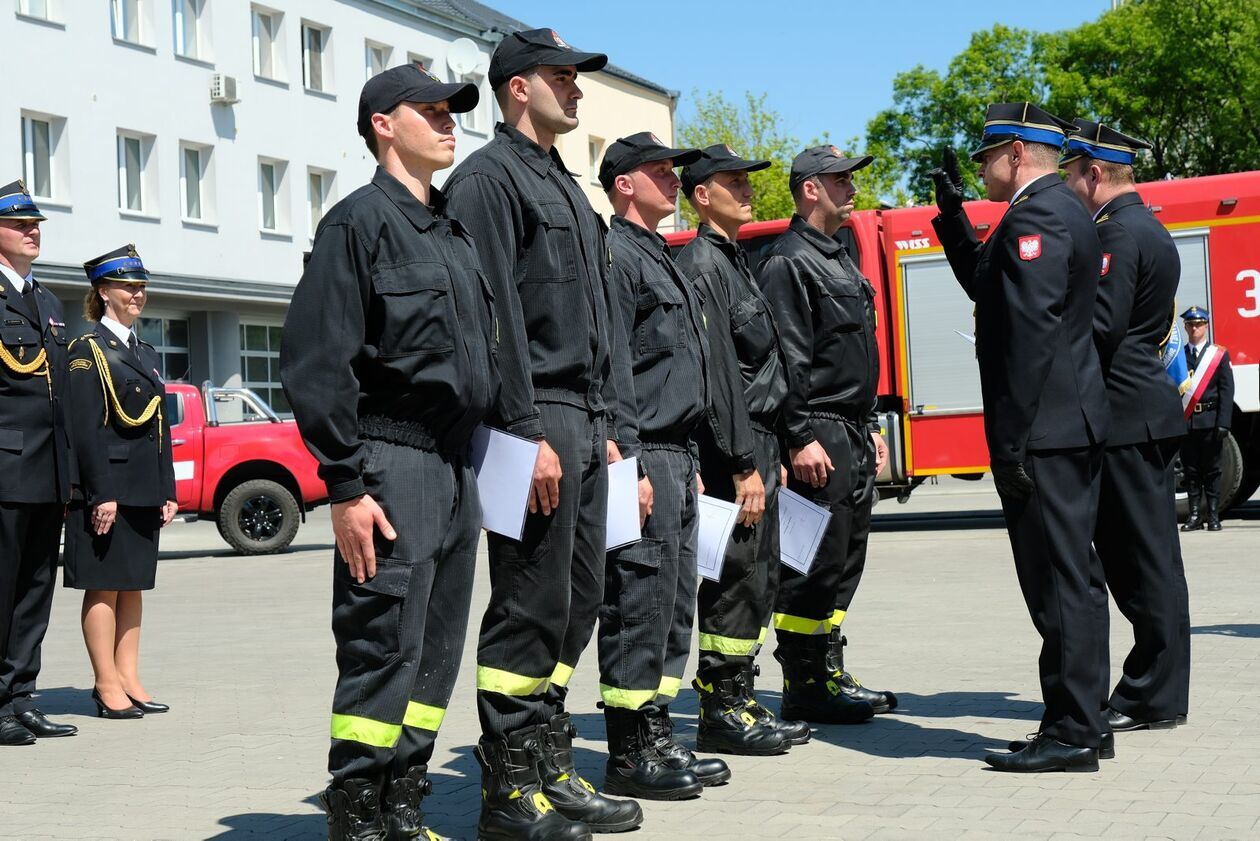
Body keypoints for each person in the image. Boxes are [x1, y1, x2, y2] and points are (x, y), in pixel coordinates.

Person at [279, 64, 500, 841]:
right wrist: (344, 485)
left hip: (454, 467)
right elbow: (315, 363)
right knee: (382, 642)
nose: (449, 124)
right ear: (382, 123)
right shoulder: (357, 224)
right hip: (390, 464)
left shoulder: (451, 231)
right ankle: (358, 814)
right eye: (431, 111)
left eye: (453, 112)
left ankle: (403, 804)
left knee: (435, 650)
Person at [444, 28, 643, 838]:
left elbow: (599, 323)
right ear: (518, 86)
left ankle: (548, 759)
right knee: (528, 600)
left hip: (584, 418)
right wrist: (523, 431)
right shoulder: (487, 182)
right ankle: (507, 787)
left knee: (577, 597)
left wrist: (611, 430)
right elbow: (491, 318)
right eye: (563, 77)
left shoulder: (561, 182)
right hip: (533, 416)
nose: (578, 90)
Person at [931, 103, 1110, 773]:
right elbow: (989, 281)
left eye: (984, 158)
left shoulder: (1037, 217)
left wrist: (1011, 443)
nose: (978, 170)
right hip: (1067, 425)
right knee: (1075, 579)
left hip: (1046, 431)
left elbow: (1031, 335)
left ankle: (1071, 731)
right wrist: (953, 219)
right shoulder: (1057, 211)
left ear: (1014, 154)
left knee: (1059, 584)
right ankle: (1084, 721)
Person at [597, 132, 729, 800]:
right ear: (624, 183)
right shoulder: (617, 254)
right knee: (638, 599)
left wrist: (691, 457)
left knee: (675, 604)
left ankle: (659, 731)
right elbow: (615, 363)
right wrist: (634, 457)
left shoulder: (660, 254)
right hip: (643, 452)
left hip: (679, 456)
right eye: (659, 171)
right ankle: (627, 752)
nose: (672, 180)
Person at [1060, 121, 1191, 737]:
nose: (1067, 184)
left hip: (1127, 416)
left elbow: (1104, 324)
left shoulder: (1116, 232)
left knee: (1142, 561)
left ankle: (1152, 694)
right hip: (1142, 413)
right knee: (1148, 556)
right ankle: (1155, 689)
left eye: (1070, 173)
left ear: (1093, 172)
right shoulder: (1149, 226)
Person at [757, 146, 895, 728]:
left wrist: (868, 426)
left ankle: (827, 666)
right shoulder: (788, 261)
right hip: (818, 431)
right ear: (810, 189)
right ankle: (804, 682)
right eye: (840, 180)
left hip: (850, 430)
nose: (852, 188)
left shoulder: (837, 257)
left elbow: (854, 354)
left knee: (844, 561)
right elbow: (787, 361)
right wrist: (798, 436)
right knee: (810, 566)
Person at [676, 144, 807, 754]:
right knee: (733, 578)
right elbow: (716, 377)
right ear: (702, 196)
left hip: (758, 439)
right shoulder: (703, 265)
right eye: (734, 182)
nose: (748, 190)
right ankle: (723, 709)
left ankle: (739, 699)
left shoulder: (736, 259)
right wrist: (741, 463)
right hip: (734, 445)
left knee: (757, 580)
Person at [64, 246, 178, 722]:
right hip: (107, 488)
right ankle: (105, 683)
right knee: (104, 586)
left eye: (141, 286)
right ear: (103, 293)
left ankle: (129, 678)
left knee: (132, 586)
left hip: (142, 486)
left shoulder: (146, 352)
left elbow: (160, 427)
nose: (138, 293)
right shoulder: (86, 352)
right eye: (128, 286)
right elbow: (84, 429)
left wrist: (167, 487)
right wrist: (100, 492)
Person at [0, 179, 77, 746]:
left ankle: (21, 696)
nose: (32, 231)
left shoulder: (47, 302)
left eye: (36, 225)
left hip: (46, 472)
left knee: (34, 589)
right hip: (5, 468)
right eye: (20, 224)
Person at [1178, 306, 1234, 532]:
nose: (1195, 328)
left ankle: (1213, 515)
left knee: (1212, 470)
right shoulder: (1179, 356)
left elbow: (1226, 390)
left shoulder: (1218, 355)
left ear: (1206, 326)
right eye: (1191, 324)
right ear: (1185, 327)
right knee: (1191, 471)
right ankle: (1194, 516)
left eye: (1199, 324)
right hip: (1187, 422)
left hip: (1210, 420)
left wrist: (1224, 422)